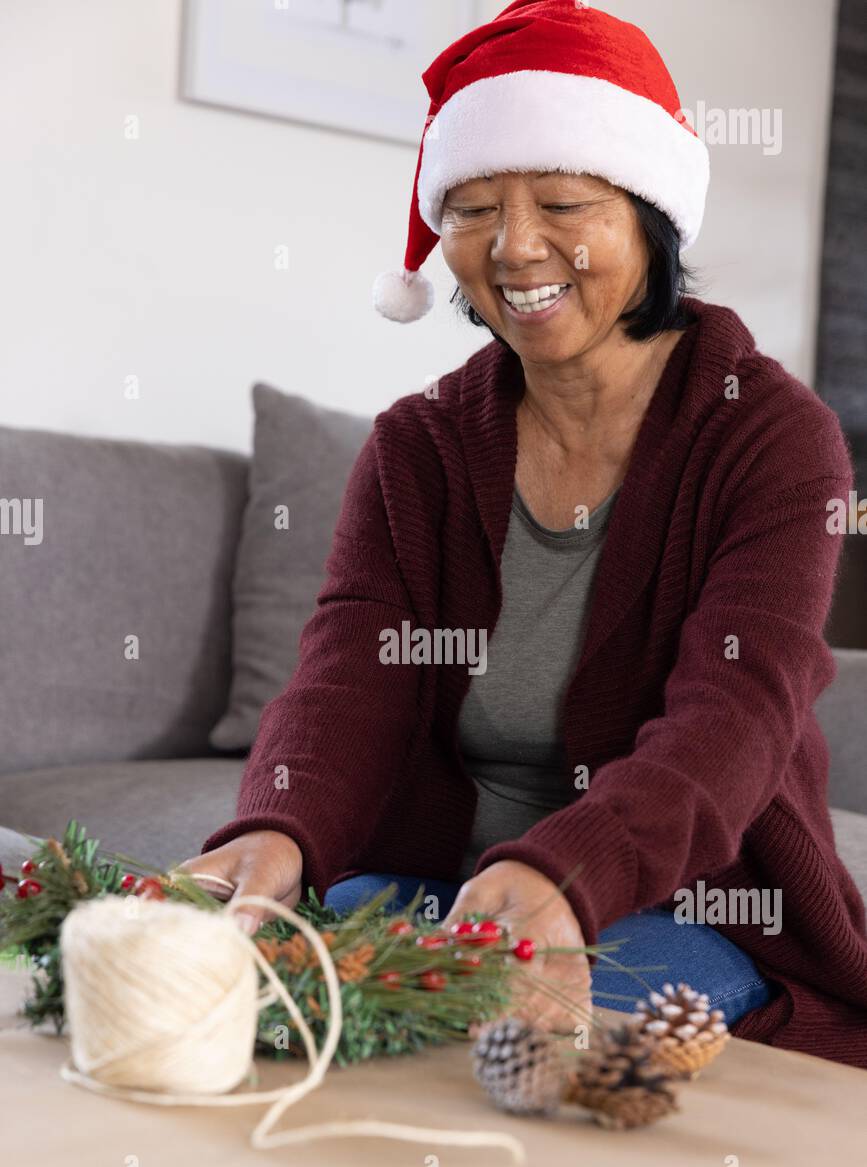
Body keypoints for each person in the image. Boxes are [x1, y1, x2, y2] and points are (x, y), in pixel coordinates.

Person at [180, 1, 867, 1062]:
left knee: (486, 1043)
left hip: (683, 904)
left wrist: (563, 873)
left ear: (650, 214)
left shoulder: (773, 439)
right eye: (469, 210)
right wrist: (275, 829)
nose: (514, 247)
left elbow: (736, 719)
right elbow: (347, 677)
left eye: (563, 201)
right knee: (266, 997)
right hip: (438, 884)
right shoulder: (420, 445)